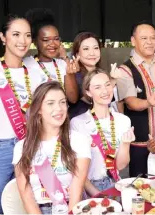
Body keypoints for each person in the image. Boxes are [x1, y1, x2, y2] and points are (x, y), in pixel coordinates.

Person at [0, 14, 43, 214]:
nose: (23, 41)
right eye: (16, 34)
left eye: (27, 35)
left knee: (24, 201)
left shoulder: (35, 68)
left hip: (27, 144)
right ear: (3, 37)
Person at [13, 81, 91, 213]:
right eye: (50, 103)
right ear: (38, 109)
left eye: (62, 102)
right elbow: (26, 194)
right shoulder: (22, 147)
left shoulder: (79, 141)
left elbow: (76, 191)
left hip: (71, 209)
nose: (59, 108)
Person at [115, 21, 155, 177]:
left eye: (153, 38)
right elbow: (130, 102)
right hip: (142, 141)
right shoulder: (125, 70)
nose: (150, 42)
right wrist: (148, 103)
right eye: (144, 38)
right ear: (133, 41)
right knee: (141, 184)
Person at [70, 69, 134, 196]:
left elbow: (120, 165)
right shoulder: (78, 123)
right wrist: (97, 194)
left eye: (107, 84)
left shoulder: (123, 120)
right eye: (97, 87)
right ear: (88, 92)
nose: (105, 91)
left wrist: (126, 143)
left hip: (115, 183)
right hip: (89, 187)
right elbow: (76, 169)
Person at [24, 8, 78, 96]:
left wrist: (70, 74)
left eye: (56, 39)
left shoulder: (63, 65)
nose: (52, 44)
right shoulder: (26, 64)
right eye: (46, 40)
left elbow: (72, 98)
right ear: (35, 42)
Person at [67, 32, 103, 118]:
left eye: (95, 48)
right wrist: (113, 80)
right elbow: (90, 99)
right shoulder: (75, 76)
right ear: (77, 54)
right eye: (86, 49)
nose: (92, 53)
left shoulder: (101, 73)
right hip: (82, 124)